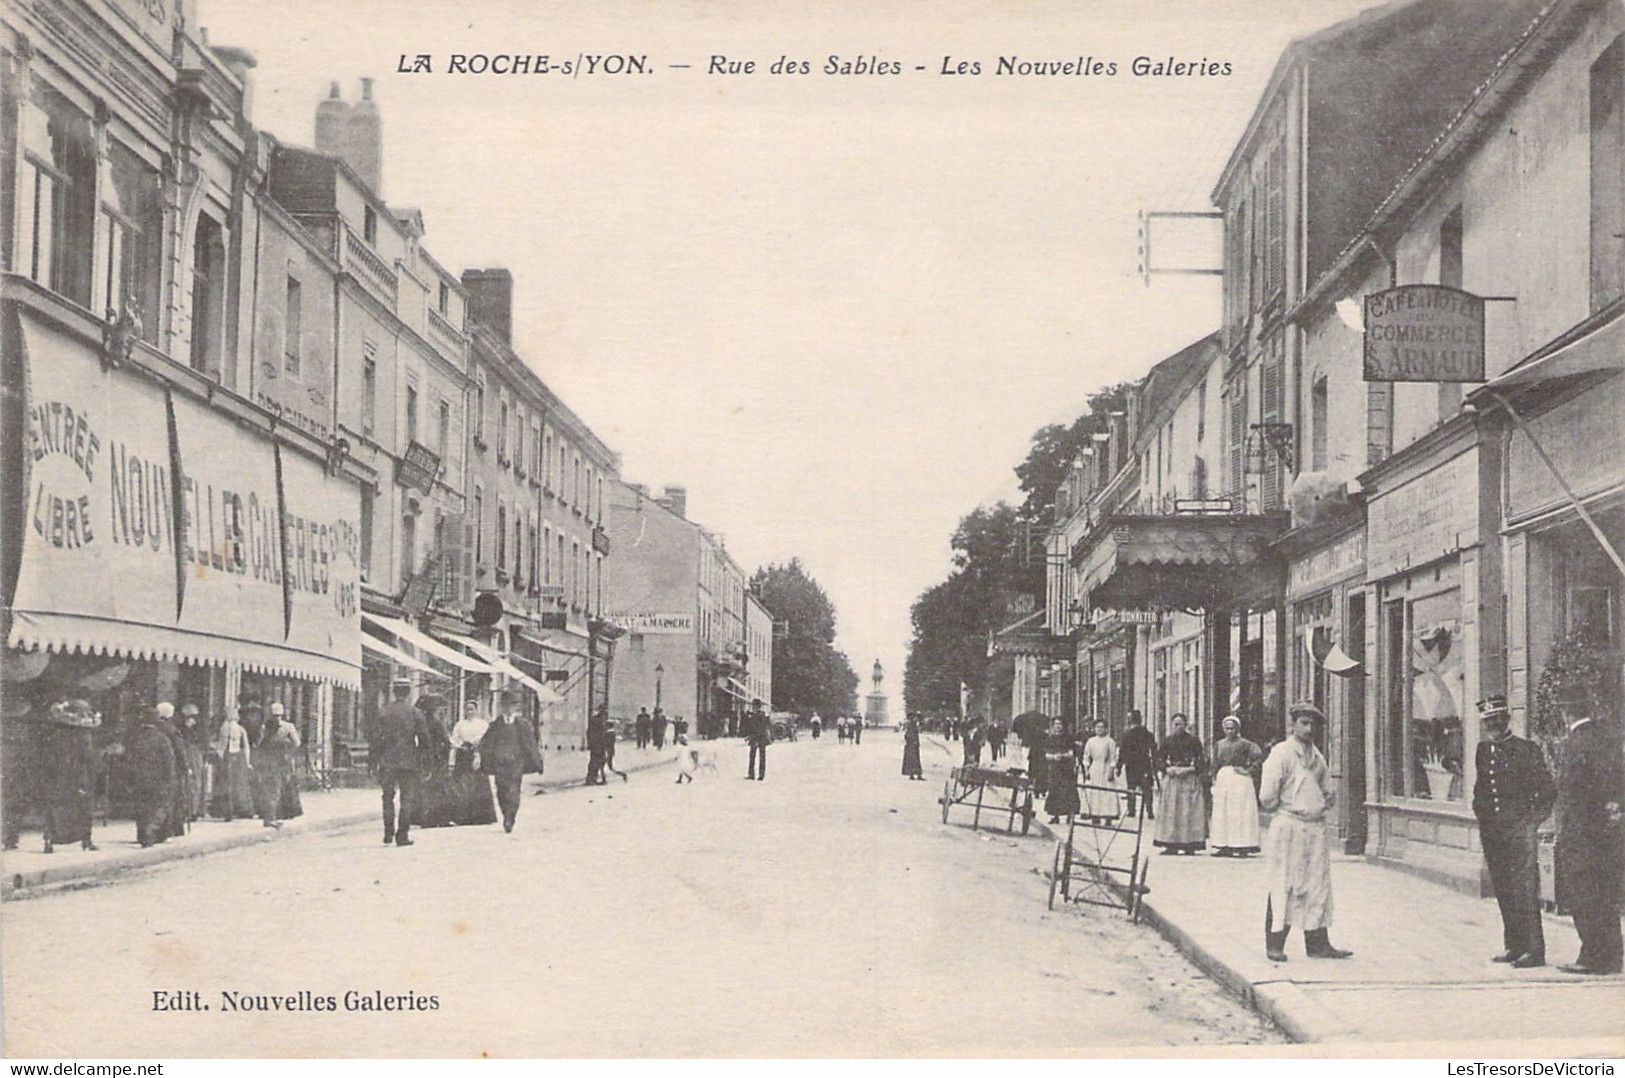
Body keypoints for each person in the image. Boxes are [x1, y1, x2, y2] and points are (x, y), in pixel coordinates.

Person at [1260, 703, 1351, 962]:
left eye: (1313, 725)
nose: (1309, 729)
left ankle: (1318, 944)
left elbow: (1328, 792)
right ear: (1293, 724)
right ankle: (1275, 943)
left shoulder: (1317, 757)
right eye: (1304, 723)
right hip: (1289, 826)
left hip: (1315, 828)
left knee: (1318, 884)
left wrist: (1320, 802)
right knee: (1285, 882)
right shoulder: (1281, 754)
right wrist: (1292, 807)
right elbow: (1267, 796)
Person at [1471, 695, 1555, 968]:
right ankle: (1514, 945)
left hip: (1519, 832)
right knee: (1504, 889)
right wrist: (1482, 816)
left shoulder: (1526, 749)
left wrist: (1531, 822)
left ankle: (1534, 950)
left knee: (1525, 890)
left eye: (1497, 720)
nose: (1493, 725)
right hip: (1493, 833)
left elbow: (1546, 791)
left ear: (1507, 719)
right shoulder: (1483, 750)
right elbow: (1482, 789)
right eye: (1488, 721)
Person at [1554, 706, 1623, 975]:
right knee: (1605, 896)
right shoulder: (1606, 737)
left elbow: (1573, 793)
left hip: (1581, 834)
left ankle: (1592, 956)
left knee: (1583, 896)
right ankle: (1613, 956)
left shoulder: (1576, 742)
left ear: (1565, 713)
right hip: (1605, 834)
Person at [369, 678, 431, 847]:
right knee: (407, 799)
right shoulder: (415, 713)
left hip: (387, 761)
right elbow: (424, 740)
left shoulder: (383, 712)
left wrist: (373, 762)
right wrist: (422, 761)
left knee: (387, 797)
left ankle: (388, 833)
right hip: (409, 763)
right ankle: (402, 835)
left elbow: (375, 740)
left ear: (394, 692)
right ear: (409, 692)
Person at [38, 700, 100, 853]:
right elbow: (88, 757)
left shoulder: (54, 732)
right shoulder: (84, 735)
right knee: (83, 807)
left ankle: (50, 839)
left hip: (57, 775)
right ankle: (86, 839)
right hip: (79, 776)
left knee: (56, 806)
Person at [480, 687, 545, 833]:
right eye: (506, 705)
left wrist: (538, 762)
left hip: (516, 764)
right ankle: (505, 814)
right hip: (500, 765)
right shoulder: (495, 725)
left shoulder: (522, 725)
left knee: (514, 791)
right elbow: (486, 744)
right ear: (502, 706)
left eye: (512, 705)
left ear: (515, 707)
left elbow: (530, 744)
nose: (508, 708)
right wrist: (485, 759)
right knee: (501, 791)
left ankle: (510, 817)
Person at [1209, 716, 1264, 858]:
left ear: (1238, 729)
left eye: (1232, 728)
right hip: (1224, 778)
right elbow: (1214, 763)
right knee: (1223, 811)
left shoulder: (1246, 744)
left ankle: (1242, 845)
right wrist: (1213, 778)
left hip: (1240, 779)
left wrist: (1249, 770)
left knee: (1240, 811)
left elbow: (1258, 758)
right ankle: (1223, 844)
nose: (1230, 731)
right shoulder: (1219, 745)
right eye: (1227, 728)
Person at [129, 703, 184, 847]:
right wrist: (171, 778)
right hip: (158, 779)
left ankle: (142, 833)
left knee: (141, 806)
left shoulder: (136, 737)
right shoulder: (161, 738)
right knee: (157, 806)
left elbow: (129, 758)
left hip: (139, 778)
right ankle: (151, 832)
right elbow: (169, 760)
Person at [1154, 713, 1207, 854]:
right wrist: (1166, 768)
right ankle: (1171, 844)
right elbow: (1159, 759)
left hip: (1188, 780)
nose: (1178, 727)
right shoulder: (1167, 741)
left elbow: (1201, 760)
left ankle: (1190, 844)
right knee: (1172, 811)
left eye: (1181, 724)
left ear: (1186, 725)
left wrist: (1191, 769)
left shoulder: (1194, 741)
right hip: (1172, 780)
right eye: (1175, 724)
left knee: (1188, 811)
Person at [448, 700, 497, 825]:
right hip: (463, 756)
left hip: (477, 754)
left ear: (476, 710)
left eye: (472, 709)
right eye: (467, 709)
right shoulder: (460, 725)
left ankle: (481, 816)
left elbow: (487, 740)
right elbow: (454, 740)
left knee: (478, 784)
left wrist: (477, 749)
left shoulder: (482, 724)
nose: (469, 712)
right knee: (462, 785)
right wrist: (459, 748)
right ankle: (463, 816)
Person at [255, 702, 302, 829]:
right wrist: (288, 751)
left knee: (272, 789)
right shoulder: (288, 727)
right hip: (280, 760)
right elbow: (297, 743)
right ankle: (272, 817)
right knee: (277, 789)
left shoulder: (265, 727)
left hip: (270, 761)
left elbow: (259, 743)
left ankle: (271, 816)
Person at [210, 707, 256, 820]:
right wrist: (247, 761)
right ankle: (237, 809)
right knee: (235, 784)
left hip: (230, 757)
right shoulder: (238, 729)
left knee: (229, 784)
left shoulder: (227, 728)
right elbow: (246, 747)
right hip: (234, 757)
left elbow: (223, 745)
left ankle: (228, 810)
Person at [1081, 718, 1120, 824]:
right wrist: (1087, 770)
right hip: (1094, 768)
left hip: (1105, 769)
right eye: (1097, 727)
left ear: (1106, 729)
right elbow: (1086, 756)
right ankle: (1095, 815)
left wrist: (1111, 770)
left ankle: (1108, 816)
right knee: (1094, 792)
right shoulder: (1091, 741)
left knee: (1106, 792)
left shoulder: (1110, 741)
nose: (1099, 729)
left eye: (1102, 727)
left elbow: (1113, 757)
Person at [1119, 710, 1157, 820]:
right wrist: (1155, 764)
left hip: (1131, 764)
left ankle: (1131, 809)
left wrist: (1119, 766)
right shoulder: (1148, 734)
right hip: (1144, 763)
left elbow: (1122, 751)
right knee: (1147, 787)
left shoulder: (1127, 735)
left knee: (1131, 786)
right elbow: (1153, 749)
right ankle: (1149, 810)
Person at [1042, 720, 1080, 823]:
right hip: (1055, 768)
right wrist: (1053, 757)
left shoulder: (1069, 739)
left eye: (1060, 724)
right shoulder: (1050, 739)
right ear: (1053, 726)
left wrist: (1064, 756)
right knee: (1055, 789)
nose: (1058, 726)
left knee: (1068, 790)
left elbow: (1073, 752)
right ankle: (1055, 815)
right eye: (1056, 724)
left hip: (1067, 768)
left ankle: (1069, 815)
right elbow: (1045, 754)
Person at [177, 704, 208, 821]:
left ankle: (193, 810)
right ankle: (192, 810)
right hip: (194, 755)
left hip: (193, 755)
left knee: (193, 783)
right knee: (192, 783)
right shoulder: (186, 728)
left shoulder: (193, 729)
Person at [744, 699, 770, 780]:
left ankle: (760, 775)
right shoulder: (754, 715)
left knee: (761, 757)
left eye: (754, 706)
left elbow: (761, 728)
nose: (753, 707)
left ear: (757, 706)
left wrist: (756, 737)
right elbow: (750, 727)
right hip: (755, 738)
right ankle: (751, 774)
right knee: (752, 756)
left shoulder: (761, 715)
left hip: (760, 738)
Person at [585, 710, 608, 786]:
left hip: (597, 745)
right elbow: (599, 734)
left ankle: (592, 779)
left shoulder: (597, 721)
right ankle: (591, 779)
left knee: (596, 762)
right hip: (597, 745)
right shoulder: (598, 722)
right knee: (595, 763)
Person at [902, 715, 924, 780]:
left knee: (914, 761)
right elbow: (908, 735)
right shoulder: (911, 726)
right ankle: (913, 775)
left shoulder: (913, 725)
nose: (916, 719)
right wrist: (912, 742)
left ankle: (916, 775)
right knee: (912, 761)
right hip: (911, 746)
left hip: (913, 746)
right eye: (915, 718)